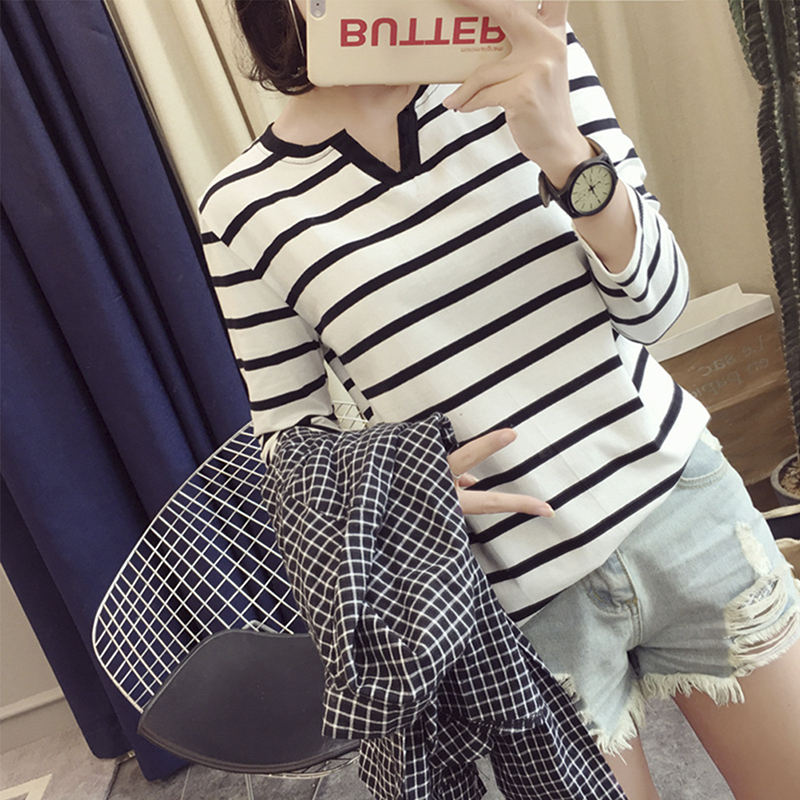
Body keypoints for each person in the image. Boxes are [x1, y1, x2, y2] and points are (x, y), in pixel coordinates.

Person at [199, 1, 800, 797]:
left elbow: (656, 309)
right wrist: (404, 485)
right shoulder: (243, 206)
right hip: (517, 599)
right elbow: (286, 436)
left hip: (681, 511)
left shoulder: (531, 59)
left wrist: (564, 153)